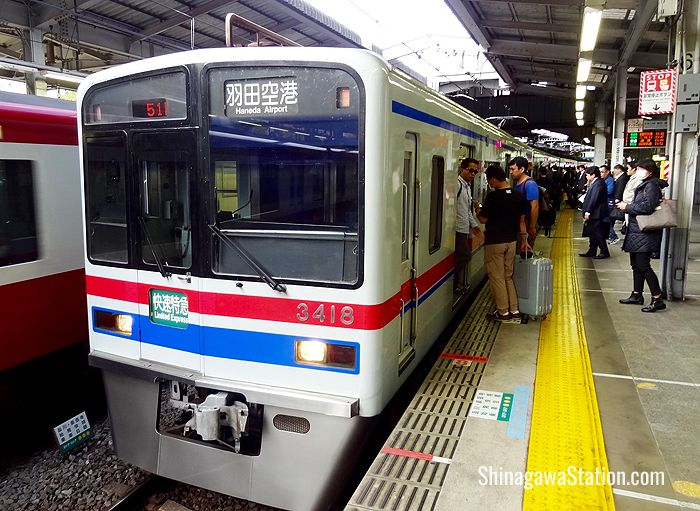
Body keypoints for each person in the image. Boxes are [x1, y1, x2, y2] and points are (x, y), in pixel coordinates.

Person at [477, 164, 529, 321]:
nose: (489, 184)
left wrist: (478, 209)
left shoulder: (493, 197)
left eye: (488, 180)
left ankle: (502, 312)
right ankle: (514, 310)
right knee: (508, 276)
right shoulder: (518, 195)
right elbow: (521, 222)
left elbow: (483, 219)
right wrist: (524, 241)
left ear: (493, 179)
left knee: (497, 277)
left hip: (495, 242)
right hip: (511, 242)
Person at [615, 159, 668, 313]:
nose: (637, 171)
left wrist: (627, 207)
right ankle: (637, 295)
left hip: (645, 233)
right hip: (638, 232)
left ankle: (657, 298)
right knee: (636, 265)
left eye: (640, 169)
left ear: (649, 171)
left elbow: (647, 207)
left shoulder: (651, 185)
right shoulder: (646, 184)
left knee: (643, 266)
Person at [455, 157, 482, 293]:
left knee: (463, 255)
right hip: (458, 228)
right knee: (465, 255)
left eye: (475, 172)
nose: (472, 174)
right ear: (462, 169)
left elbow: (467, 210)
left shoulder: (467, 187)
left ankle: (457, 283)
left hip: (464, 227)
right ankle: (454, 285)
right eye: (470, 170)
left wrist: (474, 226)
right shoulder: (457, 185)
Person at [579, 166, 610, 259]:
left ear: (593, 175)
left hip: (596, 213)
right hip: (595, 213)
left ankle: (604, 252)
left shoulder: (598, 184)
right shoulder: (596, 183)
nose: (586, 177)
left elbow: (594, 199)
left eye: (587, 175)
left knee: (598, 233)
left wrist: (588, 211)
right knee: (593, 233)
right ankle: (592, 250)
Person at [508, 156, 539, 246]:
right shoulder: (518, 183)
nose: (510, 172)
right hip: (520, 224)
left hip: (527, 224)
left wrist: (532, 227)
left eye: (512, 169)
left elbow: (535, 206)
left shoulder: (530, 184)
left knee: (524, 252)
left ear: (521, 169)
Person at [600, 165, 616, 244]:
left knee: (606, 219)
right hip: (605, 202)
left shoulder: (609, 180)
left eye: (602, 172)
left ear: (607, 172)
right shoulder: (602, 180)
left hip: (608, 202)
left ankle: (613, 236)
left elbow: (610, 191)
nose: (601, 174)